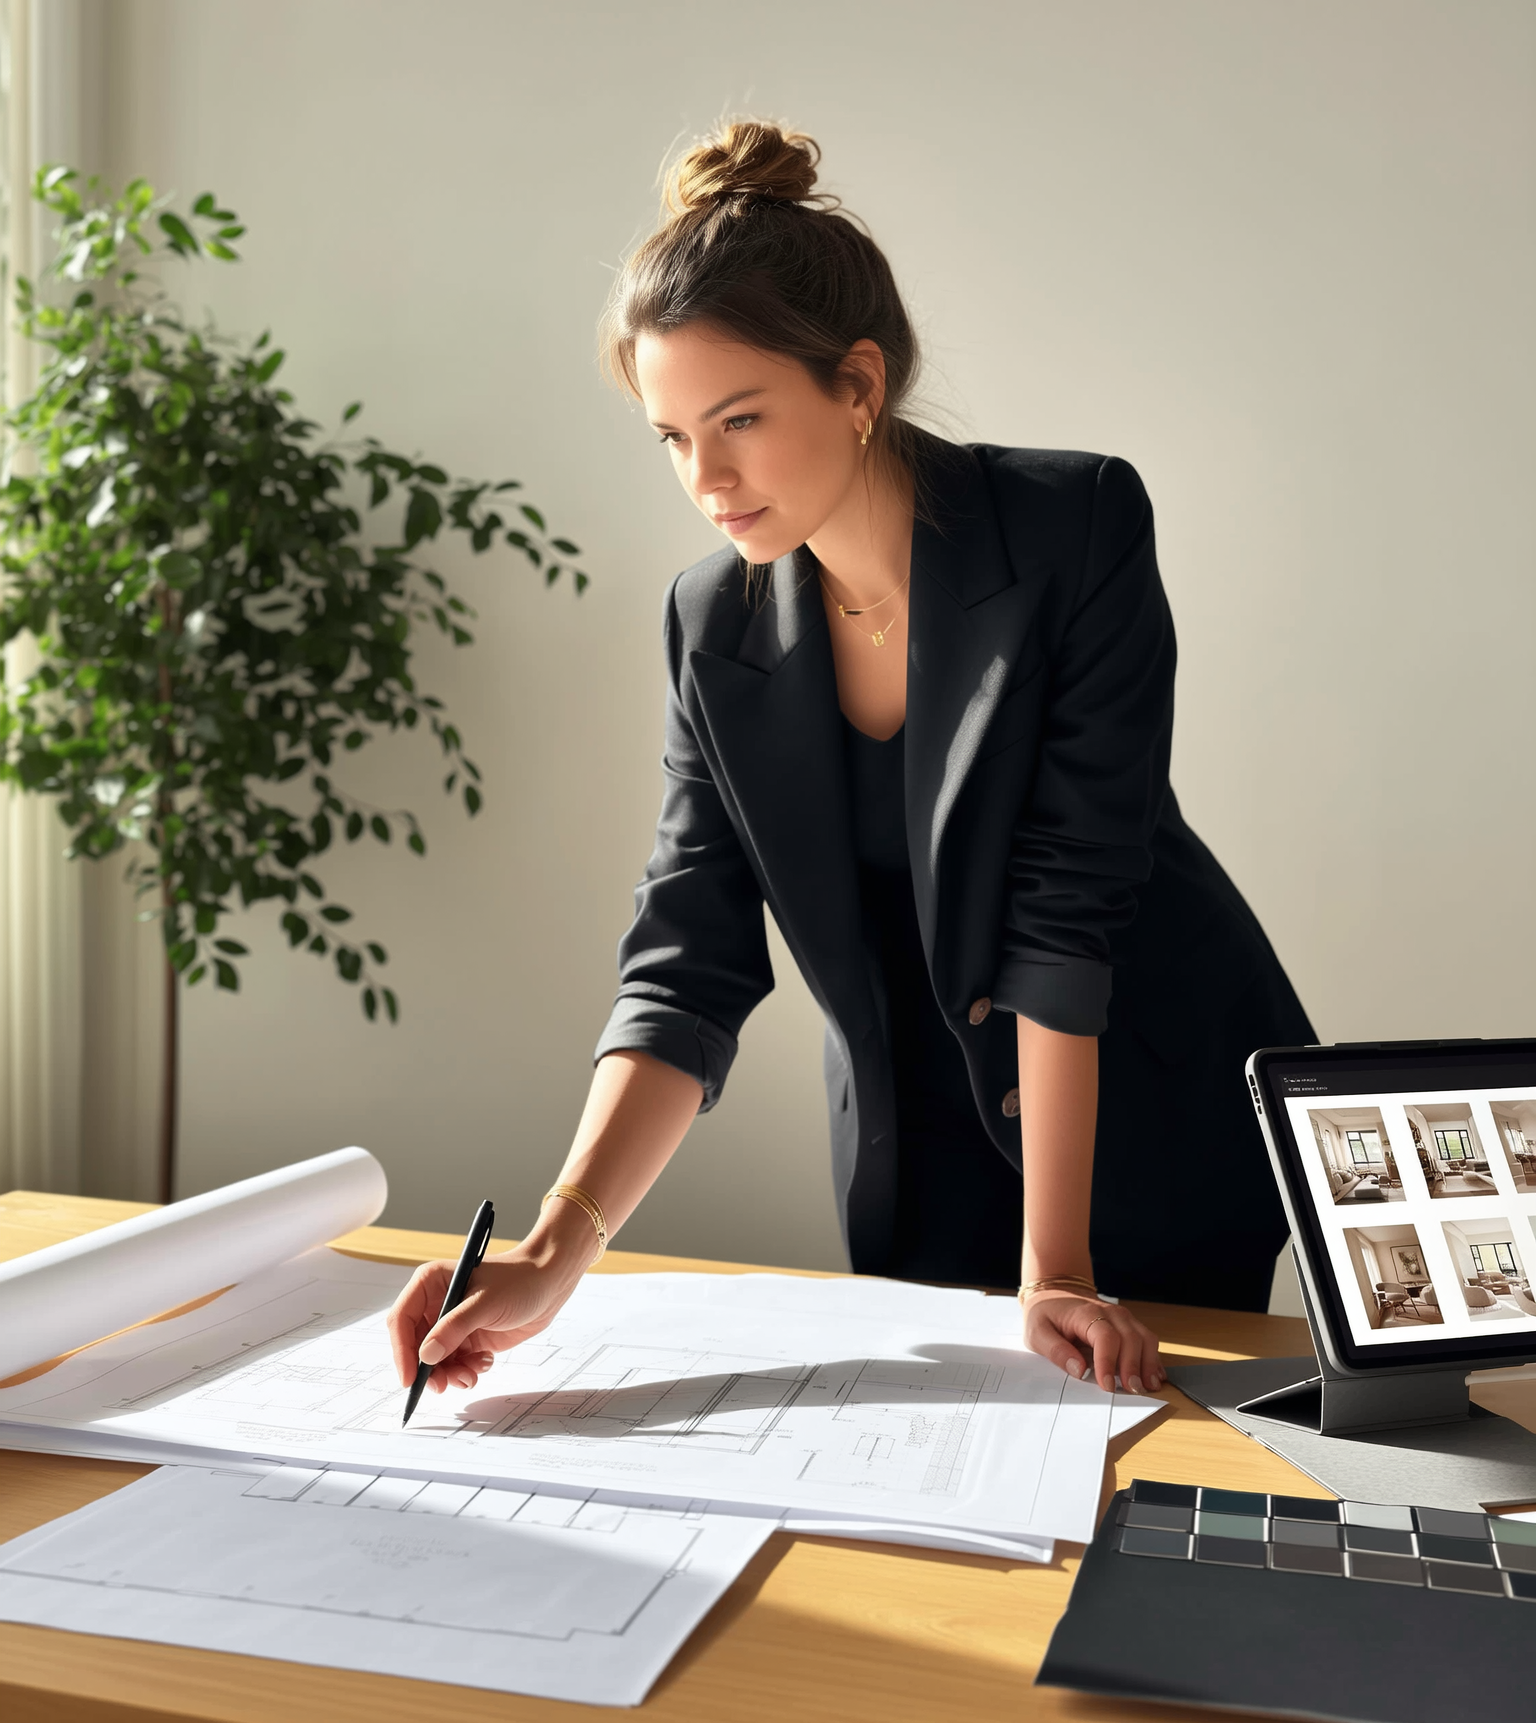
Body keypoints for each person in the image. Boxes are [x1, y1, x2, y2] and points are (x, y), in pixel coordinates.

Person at [387, 120, 1315, 1406]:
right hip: (915, 1141)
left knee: (1145, 1482)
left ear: (860, 384)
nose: (705, 477)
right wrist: (551, 1252)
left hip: (1135, 1113)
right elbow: (687, 962)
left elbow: (1065, 912)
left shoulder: (1075, 528)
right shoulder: (712, 624)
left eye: (741, 419)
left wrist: (1058, 1261)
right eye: (670, 436)